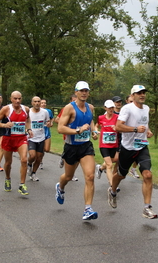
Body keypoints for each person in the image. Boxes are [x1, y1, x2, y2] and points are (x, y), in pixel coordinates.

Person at [108, 85, 158, 219]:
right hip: (127, 148)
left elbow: (144, 123)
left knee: (147, 175)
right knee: (121, 175)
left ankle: (147, 208)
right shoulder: (127, 108)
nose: (142, 95)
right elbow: (118, 126)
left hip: (142, 146)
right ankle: (112, 191)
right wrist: (135, 129)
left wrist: (148, 131)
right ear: (133, 95)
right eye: (139, 93)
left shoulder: (146, 108)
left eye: (144, 93)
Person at [55, 81, 99, 220]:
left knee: (90, 176)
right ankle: (60, 187)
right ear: (76, 92)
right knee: (68, 177)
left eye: (86, 90)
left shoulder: (90, 107)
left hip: (86, 146)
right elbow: (60, 128)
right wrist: (78, 130)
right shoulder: (69, 108)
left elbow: (90, 121)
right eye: (82, 90)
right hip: (71, 147)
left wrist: (93, 131)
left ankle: (88, 209)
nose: (84, 93)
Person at [0, 91, 32, 196]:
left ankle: (22, 185)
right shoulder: (6, 109)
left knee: (24, 160)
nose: (17, 101)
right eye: (15, 98)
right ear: (11, 99)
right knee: (8, 163)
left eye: (19, 99)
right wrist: (4, 125)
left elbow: (27, 120)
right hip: (8, 138)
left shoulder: (26, 109)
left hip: (21, 138)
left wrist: (29, 129)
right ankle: (8, 178)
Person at [95, 100, 119, 191]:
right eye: (109, 108)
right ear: (105, 108)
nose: (111, 109)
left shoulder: (117, 117)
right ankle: (113, 186)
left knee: (114, 160)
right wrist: (96, 131)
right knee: (109, 165)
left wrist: (116, 128)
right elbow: (96, 125)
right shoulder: (101, 117)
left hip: (114, 145)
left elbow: (121, 128)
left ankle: (100, 168)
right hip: (104, 145)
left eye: (112, 107)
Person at [55, 94, 79, 181]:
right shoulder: (67, 108)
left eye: (76, 100)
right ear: (70, 101)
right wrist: (66, 124)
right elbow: (57, 119)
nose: (75, 102)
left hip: (80, 136)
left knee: (78, 157)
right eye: (73, 100)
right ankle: (69, 171)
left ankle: (72, 173)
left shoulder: (82, 109)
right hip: (69, 134)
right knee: (69, 153)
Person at [26, 96, 50, 181]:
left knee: (39, 157)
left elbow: (48, 121)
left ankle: (34, 173)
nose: (37, 103)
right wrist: (28, 130)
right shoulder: (28, 112)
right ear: (32, 103)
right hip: (31, 138)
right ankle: (29, 164)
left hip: (41, 137)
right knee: (32, 156)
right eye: (35, 101)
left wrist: (48, 124)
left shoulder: (45, 112)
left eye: (38, 101)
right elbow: (25, 123)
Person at [124, 94, 140, 179]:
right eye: (130, 101)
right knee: (117, 160)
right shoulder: (124, 110)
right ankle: (102, 167)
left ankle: (133, 169)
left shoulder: (138, 110)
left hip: (137, 138)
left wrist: (148, 131)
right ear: (126, 101)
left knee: (139, 153)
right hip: (124, 140)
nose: (132, 103)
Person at [39, 99, 54, 169]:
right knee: (40, 149)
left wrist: (51, 123)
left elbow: (52, 118)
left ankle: (39, 158)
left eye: (44, 103)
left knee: (47, 149)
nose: (43, 104)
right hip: (39, 133)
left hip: (47, 132)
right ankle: (39, 161)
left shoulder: (48, 111)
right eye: (42, 103)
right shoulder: (36, 111)